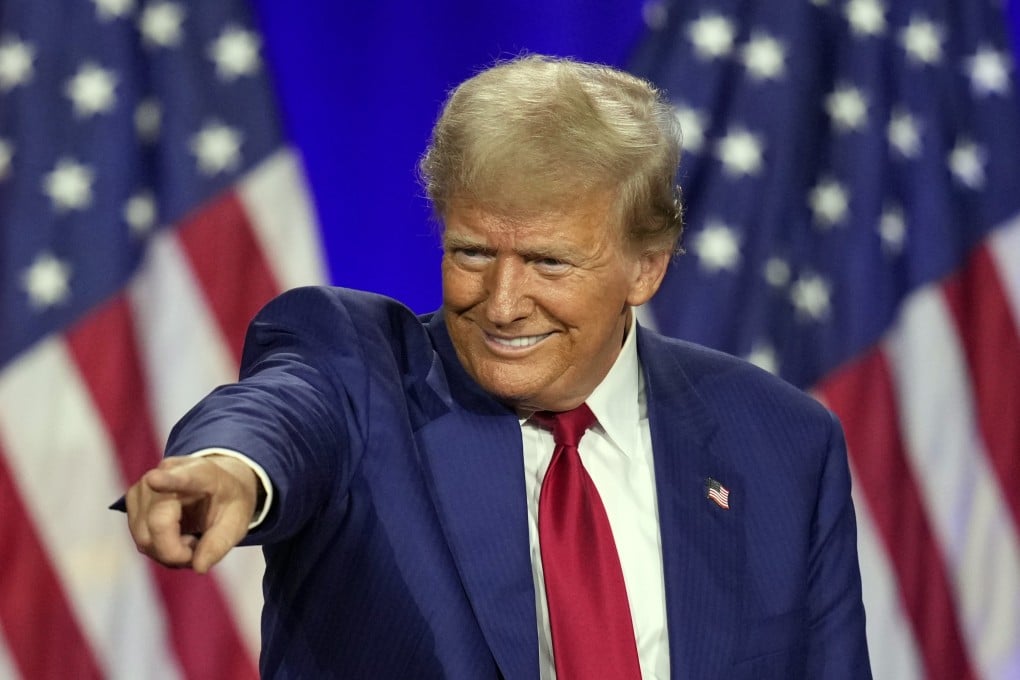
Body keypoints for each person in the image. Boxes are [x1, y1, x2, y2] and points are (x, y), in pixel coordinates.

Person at [123, 55, 871, 679]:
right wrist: (230, 470)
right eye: (473, 253)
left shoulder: (781, 444)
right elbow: (281, 412)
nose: (504, 304)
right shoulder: (361, 373)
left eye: (548, 262)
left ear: (646, 269)